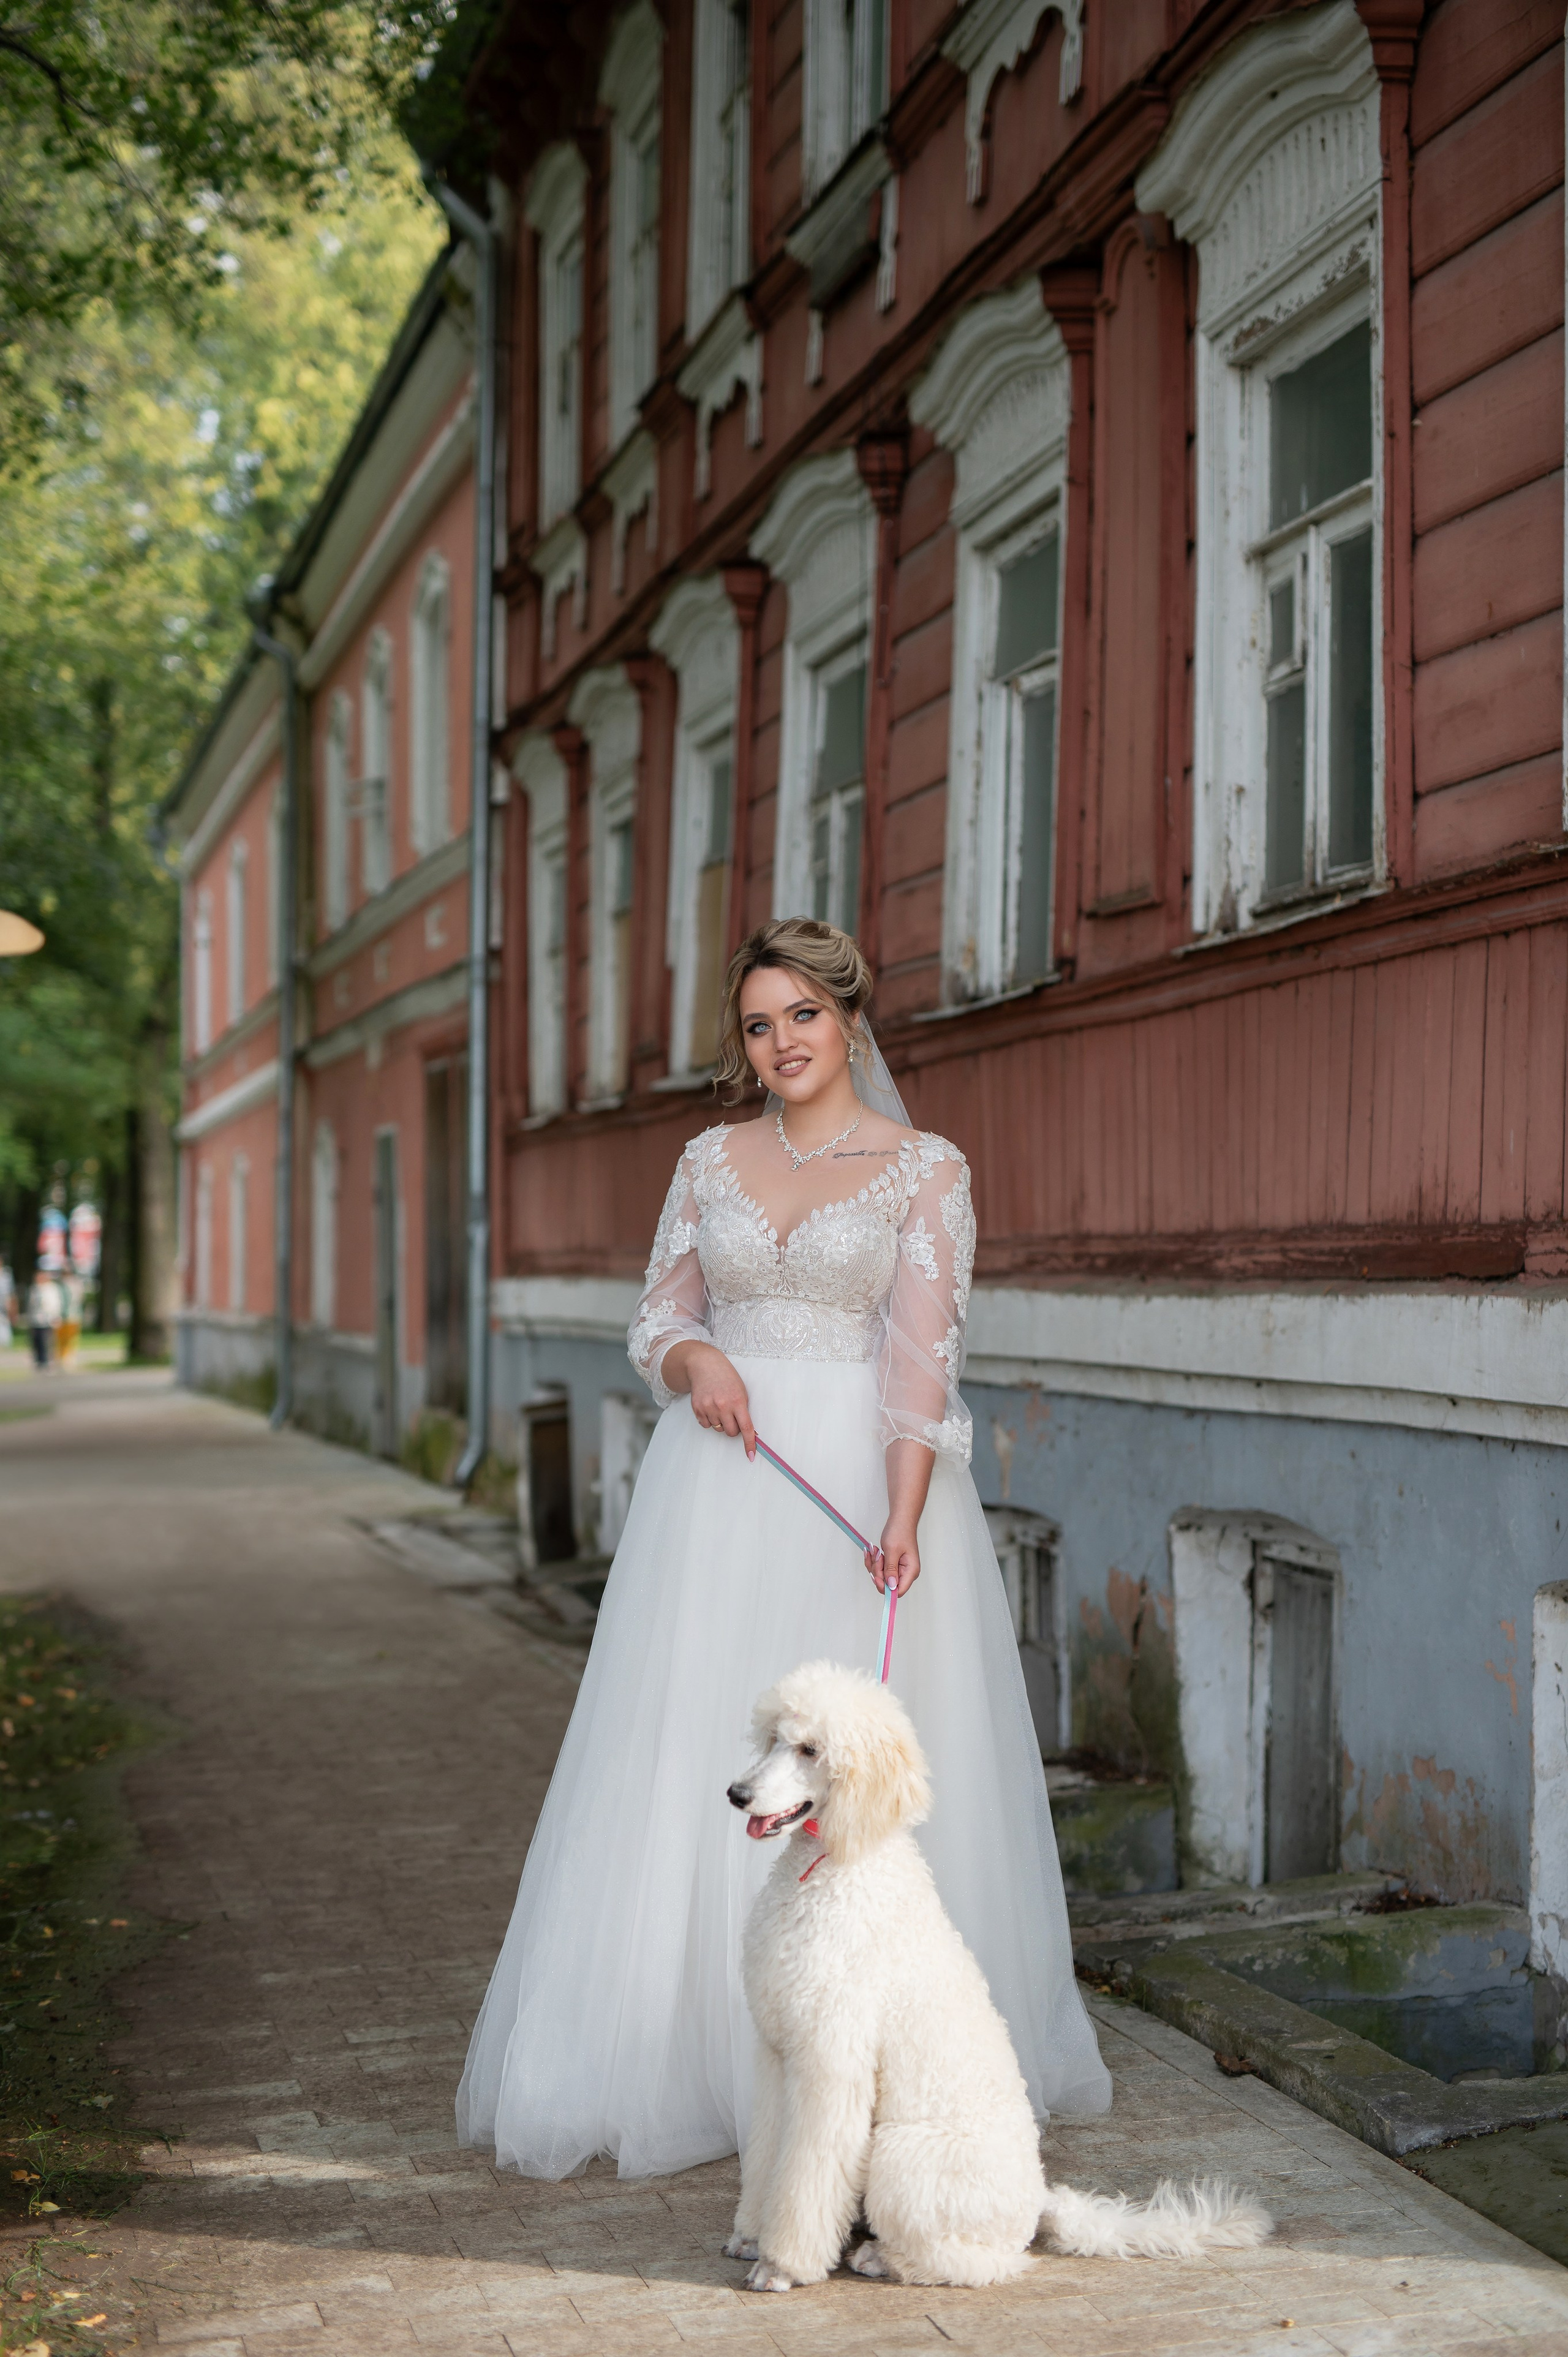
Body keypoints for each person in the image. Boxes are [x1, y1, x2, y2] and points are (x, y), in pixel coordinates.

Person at [458, 918, 1110, 2181]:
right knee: (692, 1741)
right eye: (758, 1025)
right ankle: (672, 2043)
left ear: (848, 1019)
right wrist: (695, 1358)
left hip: (856, 1493)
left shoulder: (925, 1169)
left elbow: (923, 1358)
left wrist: (904, 1515)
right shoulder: (709, 1160)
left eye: (801, 1016)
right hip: (717, 1484)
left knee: (851, 1768)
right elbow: (659, 1311)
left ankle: (883, 2058)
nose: (780, 1044)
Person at [26, 1272, 61, 1371]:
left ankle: (46, 1361)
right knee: (36, 1341)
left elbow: (55, 1305)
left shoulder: (51, 1289)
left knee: (45, 1341)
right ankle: (39, 1361)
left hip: (47, 1320)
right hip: (35, 1320)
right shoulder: (34, 1289)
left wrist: (55, 1317)